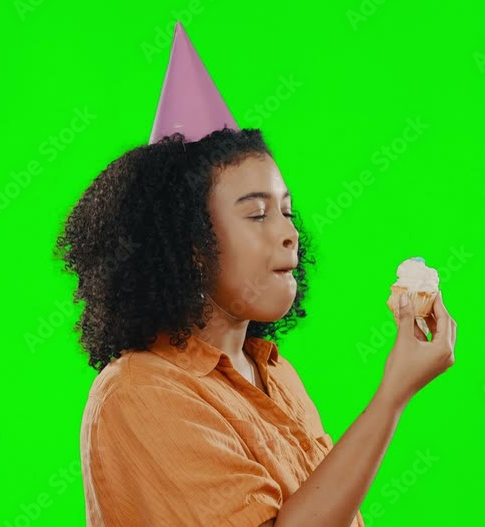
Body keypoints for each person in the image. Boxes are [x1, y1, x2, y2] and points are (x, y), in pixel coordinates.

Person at [54, 21, 457, 527]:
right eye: (257, 213)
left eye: (286, 211)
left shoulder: (275, 373)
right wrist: (392, 395)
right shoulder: (139, 392)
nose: (289, 233)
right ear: (191, 245)